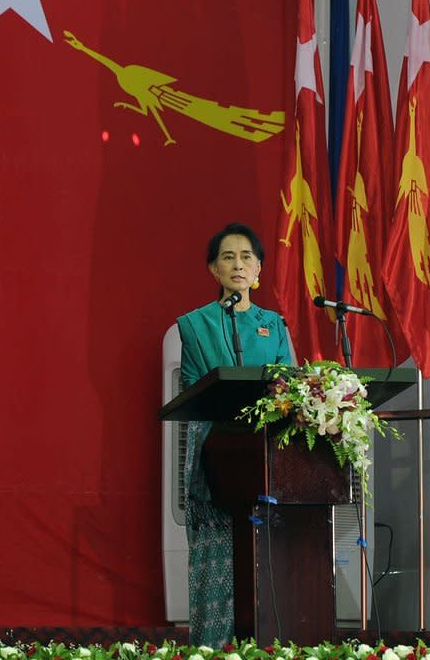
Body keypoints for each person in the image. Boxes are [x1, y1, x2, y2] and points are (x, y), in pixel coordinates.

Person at [177, 222, 292, 647]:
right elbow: (193, 387)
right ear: (213, 269)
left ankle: (272, 643)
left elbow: (289, 383)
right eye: (228, 257)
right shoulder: (194, 324)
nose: (238, 264)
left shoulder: (274, 324)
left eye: (246, 257)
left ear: (259, 269)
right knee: (219, 554)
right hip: (218, 453)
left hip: (266, 454)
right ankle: (214, 646)